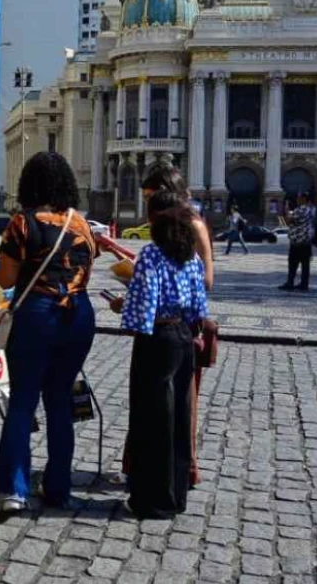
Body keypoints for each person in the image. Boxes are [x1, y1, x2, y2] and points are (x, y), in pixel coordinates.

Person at [0, 152, 98, 513]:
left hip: (37, 315)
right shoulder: (82, 224)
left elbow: (5, 278)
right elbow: (86, 274)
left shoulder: (22, 223)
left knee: (22, 401)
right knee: (59, 402)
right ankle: (58, 489)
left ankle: (14, 489)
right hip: (79, 316)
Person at [113, 191, 208, 519]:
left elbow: (143, 306)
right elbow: (199, 304)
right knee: (179, 416)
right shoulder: (190, 255)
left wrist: (121, 309)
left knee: (151, 416)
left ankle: (149, 499)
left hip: (157, 337)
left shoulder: (152, 254)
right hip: (184, 336)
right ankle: (175, 496)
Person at [140, 167, 213, 291]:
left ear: (167, 194)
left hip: (183, 308)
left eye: (148, 197)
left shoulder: (194, 226)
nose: (147, 203)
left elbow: (206, 281)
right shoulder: (159, 225)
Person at [280, 191, 316, 291]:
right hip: (307, 242)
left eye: (298, 198)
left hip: (297, 241)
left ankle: (290, 283)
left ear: (304, 199)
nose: (297, 199)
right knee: (305, 265)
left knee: (293, 264)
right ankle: (304, 284)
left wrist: (286, 208)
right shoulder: (312, 209)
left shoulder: (301, 209)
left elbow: (287, 221)